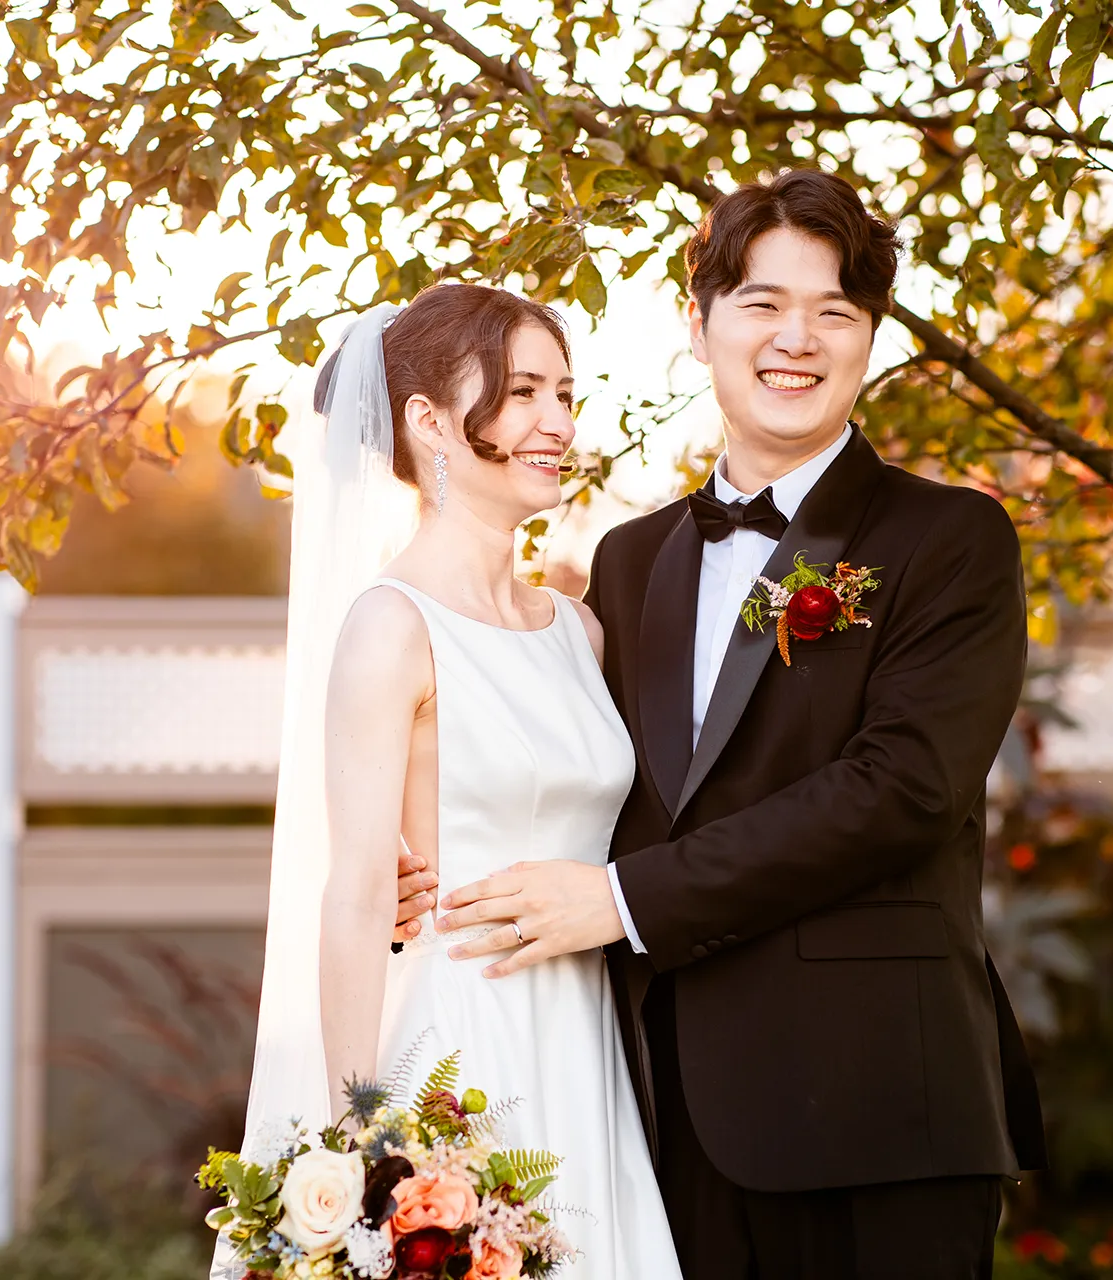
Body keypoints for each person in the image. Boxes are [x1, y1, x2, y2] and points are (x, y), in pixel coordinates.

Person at [426, 169, 1048, 1279]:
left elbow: (901, 790)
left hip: (880, 1120)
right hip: (659, 1121)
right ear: (699, 321)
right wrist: (431, 867)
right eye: (762, 303)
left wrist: (620, 900)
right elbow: (588, 781)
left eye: (836, 312)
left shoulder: (949, 539)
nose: (795, 339)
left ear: (872, 338)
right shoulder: (630, 561)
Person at [230, 282, 680, 1279]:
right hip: (457, 1054)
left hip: (585, 1038)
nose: (557, 422)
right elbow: (354, 891)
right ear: (428, 421)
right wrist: (363, 1144)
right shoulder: (389, 626)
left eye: (566, 394)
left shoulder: (580, 626)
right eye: (522, 393)